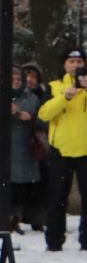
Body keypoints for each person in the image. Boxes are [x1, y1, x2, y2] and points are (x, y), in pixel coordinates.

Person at [38, 49, 87, 252]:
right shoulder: (54, 87)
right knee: (56, 198)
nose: (75, 65)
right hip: (61, 150)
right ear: (65, 65)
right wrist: (64, 97)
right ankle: (54, 240)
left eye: (79, 61)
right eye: (71, 61)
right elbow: (43, 114)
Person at [7, 65, 44, 233]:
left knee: (28, 186)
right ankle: (10, 218)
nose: (15, 83)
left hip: (26, 147)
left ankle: (28, 217)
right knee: (9, 185)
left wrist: (28, 117)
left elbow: (42, 121)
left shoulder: (32, 98)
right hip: (7, 148)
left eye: (18, 80)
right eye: (12, 80)